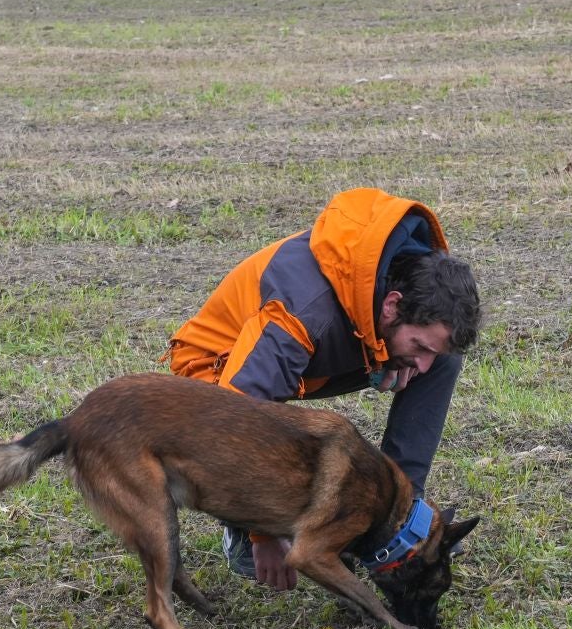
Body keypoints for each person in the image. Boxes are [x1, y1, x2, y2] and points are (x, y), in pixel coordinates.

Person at [166, 189, 480, 589]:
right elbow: (234, 423)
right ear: (392, 306)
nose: (421, 363)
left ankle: (399, 509)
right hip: (217, 377)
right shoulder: (302, 315)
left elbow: (418, 346)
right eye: (418, 346)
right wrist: (264, 533)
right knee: (296, 443)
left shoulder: (390, 289)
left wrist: (392, 355)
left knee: (443, 358)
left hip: (307, 358)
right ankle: (240, 534)